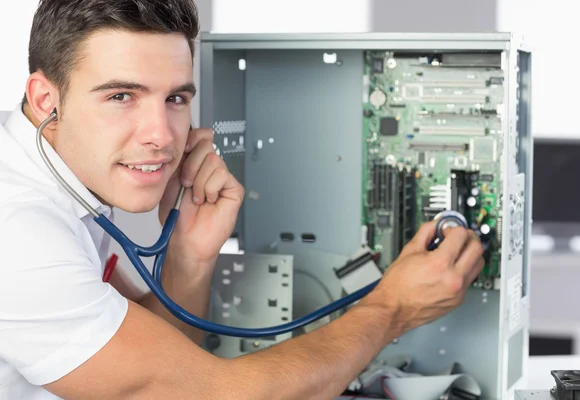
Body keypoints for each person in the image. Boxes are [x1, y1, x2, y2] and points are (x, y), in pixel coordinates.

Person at [0, 1, 485, 399]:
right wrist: (391, 309)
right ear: (46, 100)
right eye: (122, 96)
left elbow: (155, 366)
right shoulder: (19, 229)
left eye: (176, 99)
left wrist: (190, 254)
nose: (162, 136)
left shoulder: (60, 176)